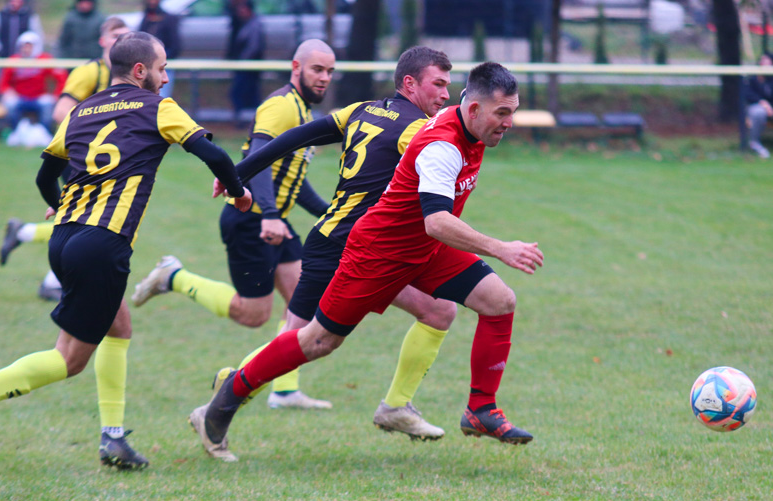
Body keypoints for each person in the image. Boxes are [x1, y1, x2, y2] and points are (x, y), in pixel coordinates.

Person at [0, 31, 252, 471]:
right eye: (162, 69)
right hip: (103, 244)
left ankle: (113, 439)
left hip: (64, 240)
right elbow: (214, 156)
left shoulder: (83, 108)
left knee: (118, 327)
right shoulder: (159, 107)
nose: (165, 77)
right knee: (69, 359)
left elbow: (46, 177)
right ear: (140, 71)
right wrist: (239, 193)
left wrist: (61, 203)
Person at [193, 62, 543, 462]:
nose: (510, 122)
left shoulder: (457, 123)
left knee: (499, 301)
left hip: (421, 250)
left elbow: (303, 135)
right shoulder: (440, 143)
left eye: (512, 112)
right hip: (378, 252)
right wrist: (500, 247)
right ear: (475, 109)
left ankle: (480, 409)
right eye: (502, 113)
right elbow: (436, 220)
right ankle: (223, 401)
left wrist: (238, 172)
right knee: (316, 340)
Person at [200, 46, 457, 443]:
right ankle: (230, 390)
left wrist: (239, 173)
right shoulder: (415, 130)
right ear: (410, 83)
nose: (445, 95)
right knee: (307, 339)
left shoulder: (361, 109)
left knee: (436, 310)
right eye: (439, 84)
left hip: (344, 237)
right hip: (349, 243)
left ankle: (396, 406)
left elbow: (293, 139)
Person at [131, 39, 336, 410]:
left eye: (329, 71)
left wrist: (329, 211)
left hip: (276, 220)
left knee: (302, 307)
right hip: (252, 220)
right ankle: (173, 277)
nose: (324, 78)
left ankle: (284, 391)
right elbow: (257, 158)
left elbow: (291, 177)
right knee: (253, 314)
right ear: (296, 67)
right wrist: (269, 215)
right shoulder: (281, 106)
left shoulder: (303, 112)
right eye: (317, 69)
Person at [0, 16, 131, 302]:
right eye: (115, 35)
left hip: (107, 162)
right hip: (79, 159)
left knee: (90, 222)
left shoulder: (130, 76)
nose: (121, 40)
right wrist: (98, 135)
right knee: (93, 225)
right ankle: (51, 281)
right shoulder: (90, 72)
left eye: (126, 35)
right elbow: (61, 112)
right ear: (103, 40)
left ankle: (24, 233)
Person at [0, 30, 67, 131]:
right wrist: (7, 91)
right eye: (23, 46)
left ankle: (45, 134)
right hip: (19, 97)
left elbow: (61, 77)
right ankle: (15, 133)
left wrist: (57, 95)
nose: (26, 49)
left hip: (39, 97)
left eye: (29, 46)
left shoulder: (44, 60)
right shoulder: (14, 61)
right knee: (10, 104)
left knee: (47, 104)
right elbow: (3, 84)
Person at [227, 0, 264, 126]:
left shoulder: (254, 25)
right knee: (250, 96)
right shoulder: (244, 24)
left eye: (243, 9)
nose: (240, 12)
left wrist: (242, 62)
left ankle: (245, 121)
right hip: (246, 68)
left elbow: (254, 48)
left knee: (241, 94)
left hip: (248, 69)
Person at [139, 0, 180, 100]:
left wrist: (161, 58)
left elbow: (175, 45)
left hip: (165, 64)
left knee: (161, 97)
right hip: (147, 65)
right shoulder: (146, 18)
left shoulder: (168, 19)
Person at [745, 51, 773, 159]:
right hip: (757, 107)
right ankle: (755, 143)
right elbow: (748, 94)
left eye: (767, 60)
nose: (764, 62)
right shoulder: (754, 78)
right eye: (762, 60)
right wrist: (764, 103)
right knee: (758, 112)